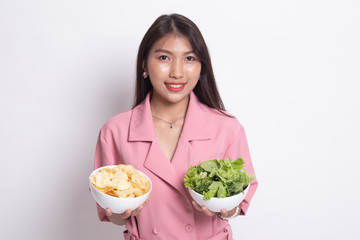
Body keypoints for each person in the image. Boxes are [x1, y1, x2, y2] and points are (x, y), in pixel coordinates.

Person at [94, 13, 258, 240]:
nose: (177, 72)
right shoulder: (115, 131)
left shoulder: (227, 127)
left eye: (189, 59)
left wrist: (226, 209)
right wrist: (121, 214)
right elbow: (112, 212)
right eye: (164, 57)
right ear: (144, 63)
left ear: (202, 66)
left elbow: (239, 198)